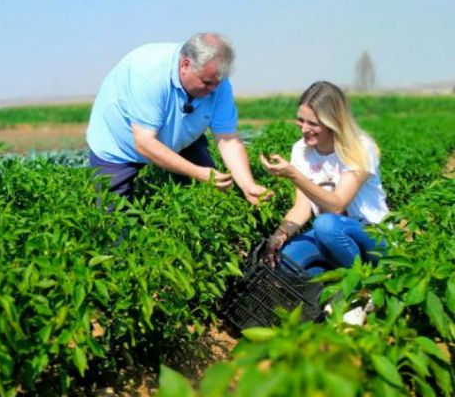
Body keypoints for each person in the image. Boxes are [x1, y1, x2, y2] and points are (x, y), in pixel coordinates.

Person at [85, 32, 270, 204]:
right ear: (185, 65)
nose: (213, 90)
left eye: (217, 83)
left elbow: (228, 139)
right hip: (120, 145)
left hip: (182, 136)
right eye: (206, 82)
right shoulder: (149, 74)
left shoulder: (217, 82)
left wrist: (248, 185)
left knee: (208, 199)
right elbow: (144, 143)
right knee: (114, 222)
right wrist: (199, 173)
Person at [260, 81, 388, 277]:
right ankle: (333, 290)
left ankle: (362, 286)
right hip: (332, 237)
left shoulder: (359, 148)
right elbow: (302, 207)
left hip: (372, 235)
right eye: (301, 120)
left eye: (313, 123)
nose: (304, 129)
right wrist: (280, 234)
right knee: (288, 260)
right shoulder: (301, 150)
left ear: (333, 123)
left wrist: (294, 175)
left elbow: (337, 205)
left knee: (326, 225)